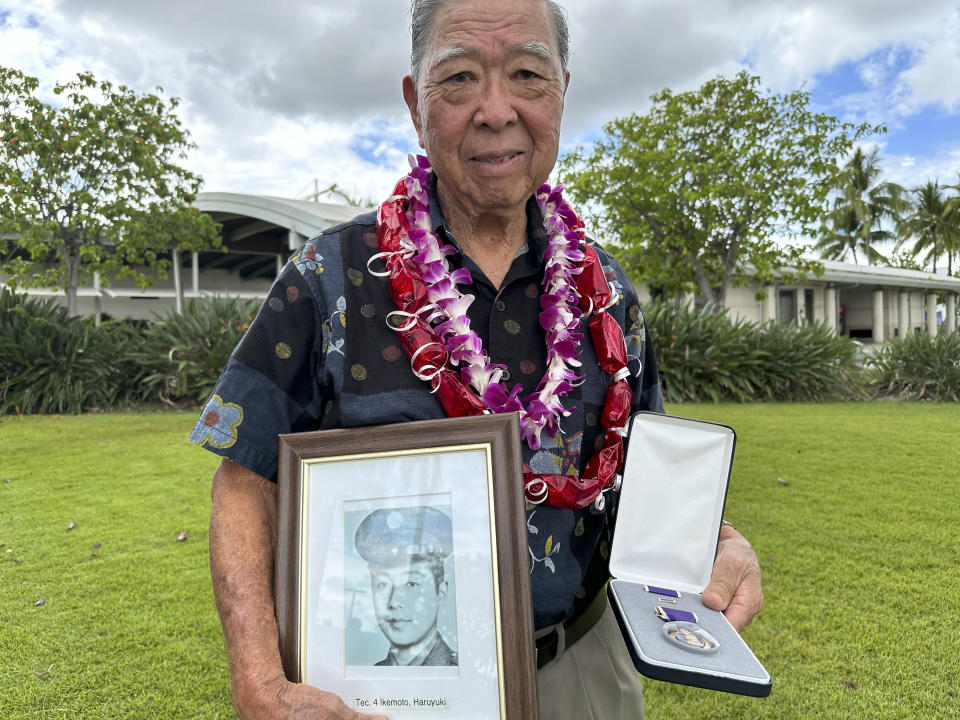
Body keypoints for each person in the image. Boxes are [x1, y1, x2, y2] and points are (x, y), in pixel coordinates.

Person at [194, 1, 764, 717]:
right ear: (415, 101)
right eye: (460, 78)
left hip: (579, 670)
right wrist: (257, 674)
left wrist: (714, 541)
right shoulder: (327, 276)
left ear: (561, 89)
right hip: (380, 692)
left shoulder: (608, 292)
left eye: (527, 74)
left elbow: (647, 483)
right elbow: (246, 478)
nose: (496, 110)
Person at [353, 507, 457, 667]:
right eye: (382, 584)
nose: (393, 601)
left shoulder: (459, 672)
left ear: (441, 592)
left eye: (411, 584)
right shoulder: (373, 673)